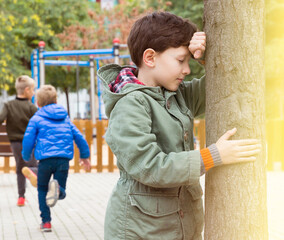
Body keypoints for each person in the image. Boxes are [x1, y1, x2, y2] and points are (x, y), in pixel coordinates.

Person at [98, 12, 261, 239]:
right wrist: (213, 156)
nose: (187, 69)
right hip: (142, 231)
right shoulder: (130, 104)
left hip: (178, 227)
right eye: (180, 60)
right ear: (150, 58)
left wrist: (206, 59)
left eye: (189, 61)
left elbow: (219, 89)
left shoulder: (175, 94)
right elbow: (150, 166)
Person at [21, 85, 91, 232]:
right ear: (56, 101)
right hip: (63, 160)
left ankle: (46, 222)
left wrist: (26, 156)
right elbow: (79, 137)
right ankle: (58, 190)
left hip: (45, 160)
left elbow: (28, 139)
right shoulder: (65, 118)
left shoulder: (37, 118)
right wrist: (85, 156)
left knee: (42, 188)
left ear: (38, 103)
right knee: (60, 189)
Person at [0, 75, 38, 207]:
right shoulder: (31, 107)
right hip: (30, 142)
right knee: (34, 166)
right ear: (27, 90)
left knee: (20, 167)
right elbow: (39, 121)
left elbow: (0, 117)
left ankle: (21, 197)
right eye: (33, 90)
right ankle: (40, 186)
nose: (33, 93)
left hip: (15, 143)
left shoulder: (9, 105)